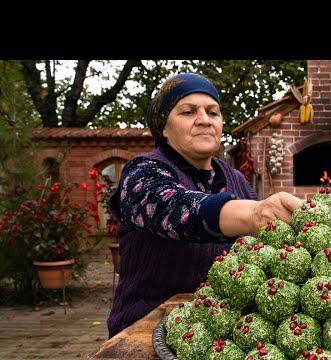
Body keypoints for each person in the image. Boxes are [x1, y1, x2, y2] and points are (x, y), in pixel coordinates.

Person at [106, 73, 301, 338]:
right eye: (188, 112)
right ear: (163, 127)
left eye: (213, 112)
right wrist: (255, 213)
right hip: (144, 329)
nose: (204, 120)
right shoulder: (142, 173)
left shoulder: (236, 180)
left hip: (219, 335)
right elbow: (177, 208)